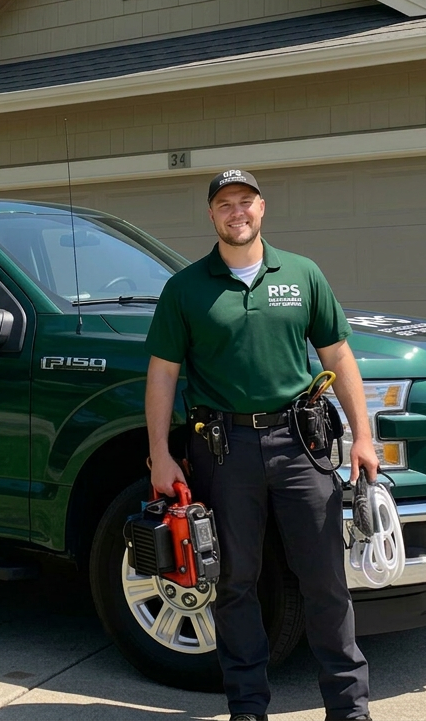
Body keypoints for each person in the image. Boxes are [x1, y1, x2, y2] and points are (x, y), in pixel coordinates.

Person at [144, 168, 379, 721]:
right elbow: (162, 373)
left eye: (245, 202)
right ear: (211, 215)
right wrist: (159, 450)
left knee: (325, 581)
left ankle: (349, 710)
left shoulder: (302, 274)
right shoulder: (186, 288)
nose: (237, 212)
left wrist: (364, 436)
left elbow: (337, 355)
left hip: (300, 445)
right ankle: (247, 710)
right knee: (234, 582)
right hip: (223, 452)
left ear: (262, 208)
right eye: (225, 204)